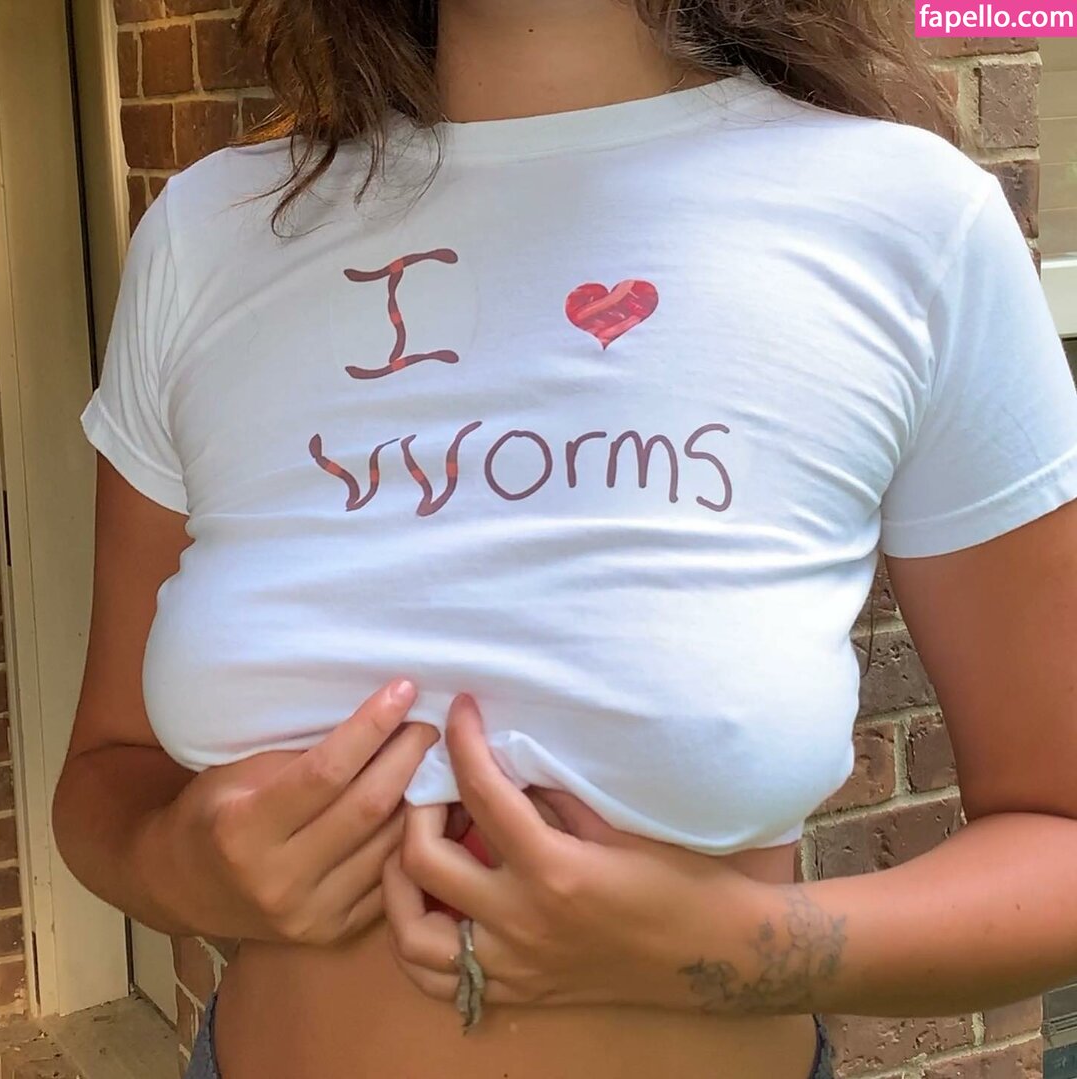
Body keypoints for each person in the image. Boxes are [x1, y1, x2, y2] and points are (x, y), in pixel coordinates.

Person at [53, 2, 1077, 1077]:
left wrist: (730, 949)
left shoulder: (910, 223)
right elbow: (105, 777)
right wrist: (179, 867)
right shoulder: (209, 235)